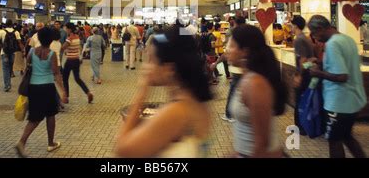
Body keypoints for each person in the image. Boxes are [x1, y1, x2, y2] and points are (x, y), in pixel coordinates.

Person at [115, 27, 213, 158]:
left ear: (169, 69)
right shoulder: (199, 104)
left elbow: (122, 150)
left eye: (152, 60)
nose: (146, 66)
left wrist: (142, 91)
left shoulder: (176, 112)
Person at [307, 15, 367, 158]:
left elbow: (341, 76)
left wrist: (318, 72)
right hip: (353, 100)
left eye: (314, 34)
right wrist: (323, 64)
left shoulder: (333, 44)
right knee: (346, 137)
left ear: (321, 29)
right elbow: (343, 66)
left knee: (334, 141)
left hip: (338, 102)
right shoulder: (347, 40)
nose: (315, 38)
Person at [226, 25, 287, 157]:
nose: (226, 50)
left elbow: (262, 143)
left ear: (245, 51)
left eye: (231, 45)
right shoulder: (247, 79)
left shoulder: (255, 84)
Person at [15, 27, 68, 158]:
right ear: (50, 40)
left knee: (34, 117)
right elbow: (56, 74)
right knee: (50, 115)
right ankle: (51, 143)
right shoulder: (51, 54)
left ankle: (22, 142)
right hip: (48, 87)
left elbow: (28, 68)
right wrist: (63, 92)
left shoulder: (32, 52)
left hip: (33, 87)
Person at [291, 15, 315, 135]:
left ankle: (300, 127)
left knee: (299, 100)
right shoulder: (305, 38)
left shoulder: (299, 39)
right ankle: (303, 125)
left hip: (304, 74)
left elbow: (303, 59)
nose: (290, 27)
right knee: (304, 100)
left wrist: (299, 75)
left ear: (295, 25)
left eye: (291, 24)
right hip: (309, 73)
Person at [62, 24, 93, 103]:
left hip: (69, 61)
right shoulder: (77, 37)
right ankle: (88, 92)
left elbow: (63, 48)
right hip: (76, 60)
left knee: (65, 78)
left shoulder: (70, 38)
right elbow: (79, 48)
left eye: (65, 28)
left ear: (69, 29)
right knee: (77, 79)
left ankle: (66, 96)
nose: (65, 29)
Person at [0, 19, 24, 92]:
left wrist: (2, 46)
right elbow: (19, 43)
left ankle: (7, 85)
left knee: (5, 69)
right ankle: (8, 82)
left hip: (5, 53)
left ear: (5, 24)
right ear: (12, 24)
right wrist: (23, 51)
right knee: (10, 68)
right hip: (13, 52)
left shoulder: (2, 31)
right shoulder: (16, 32)